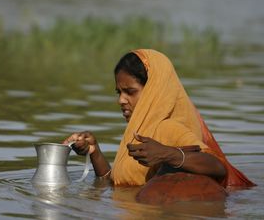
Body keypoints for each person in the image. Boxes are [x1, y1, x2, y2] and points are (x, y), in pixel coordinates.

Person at [63, 49, 255, 189]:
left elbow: (217, 167)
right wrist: (94, 152)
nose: (121, 100)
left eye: (130, 92)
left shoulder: (167, 127)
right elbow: (116, 183)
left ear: (154, 91)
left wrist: (168, 154)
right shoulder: (138, 130)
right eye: (119, 92)